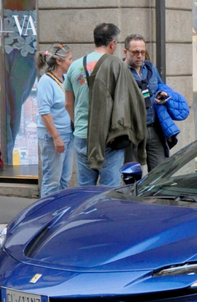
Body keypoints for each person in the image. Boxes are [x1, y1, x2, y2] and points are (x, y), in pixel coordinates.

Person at [64, 23, 145, 187]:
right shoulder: (117, 66)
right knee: (110, 187)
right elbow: (129, 101)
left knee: (86, 187)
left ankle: (88, 213)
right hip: (109, 136)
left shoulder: (74, 66)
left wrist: (80, 123)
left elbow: (68, 103)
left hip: (82, 135)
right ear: (113, 43)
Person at [35, 43, 74, 197]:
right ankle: (45, 215)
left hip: (68, 133)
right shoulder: (46, 81)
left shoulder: (65, 79)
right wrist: (56, 137)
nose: (71, 62)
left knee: (65, 179)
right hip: (53, 135)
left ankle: (60, 212)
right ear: (59, 61)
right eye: (69, 59)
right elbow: (44, 113)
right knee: (52, 181)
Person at [123, 33, 167, 170]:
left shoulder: (150, 68)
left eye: (142, 52)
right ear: (126, 52)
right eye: (135, 52)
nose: (140, 55)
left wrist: (162, 95)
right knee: (132, 175)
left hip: (154, 129)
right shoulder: (119, 71)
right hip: (132, 131)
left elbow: (160, 86)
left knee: (159, 173)